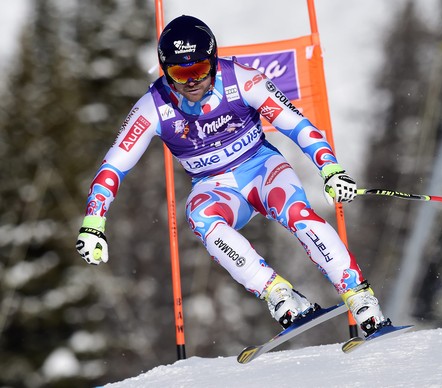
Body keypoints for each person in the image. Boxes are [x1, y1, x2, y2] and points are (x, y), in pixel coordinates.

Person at [75, 15, 390, 336]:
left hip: (262, 170)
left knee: (297, 212)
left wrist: (330, 168)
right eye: (178, 73)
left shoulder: (243, 80)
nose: (191, 81)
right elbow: (113, 166)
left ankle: (359, 295)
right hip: (215, 188)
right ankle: (278, 293)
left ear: (213, 61)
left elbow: (298, 126)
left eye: (199, 69)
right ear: (164, 70)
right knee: (199, 216)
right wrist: (94, 223)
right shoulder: (153, 106)